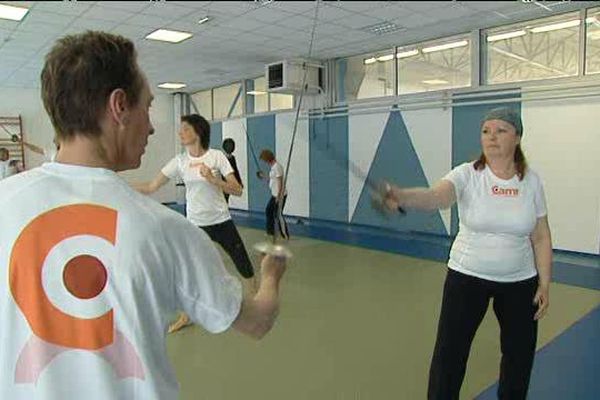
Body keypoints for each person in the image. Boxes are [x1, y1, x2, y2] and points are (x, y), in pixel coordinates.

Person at [0, 31, 286, 400]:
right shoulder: (167, 230)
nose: (152, 126)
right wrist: (272, 276)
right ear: (119, 106)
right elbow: (258, 321)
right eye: (148, 106)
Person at [381, 107, 552, 400]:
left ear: (517, 137)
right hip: (466, 277)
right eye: (486, 131)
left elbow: (541, 236)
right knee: (450, 353)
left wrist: (544, 283)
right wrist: (404, 195)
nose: (492, 137)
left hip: (520, 281)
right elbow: (438, 195)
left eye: (501, 130)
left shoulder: (531, 181)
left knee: (519, 356)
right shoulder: (466, 174)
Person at [135, 114, 258, 333]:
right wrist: (120, 184)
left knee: (243, 263)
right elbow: (152, 186)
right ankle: (186, 315)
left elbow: (237, 189)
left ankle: (257, 301)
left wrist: (213, 179)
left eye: (184, 129)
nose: (180, 133)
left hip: (221, 220)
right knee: (187, 271)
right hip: (195, 225)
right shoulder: (180, 161)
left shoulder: (216, 157)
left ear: (197, 132)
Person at [259, 149, 289, 241]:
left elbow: (280, 182)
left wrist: (279, 196)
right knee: (268, 210)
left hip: (279, 195)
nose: (264, 162)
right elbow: (273, 180)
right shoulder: (273, 167)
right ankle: (271, 231)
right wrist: (264, 176)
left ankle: (285, 234)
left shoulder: (277, 167)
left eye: (264, 160)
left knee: (278, 214)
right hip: (274, 195)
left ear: (267, 159)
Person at [222, 137, 242, 203]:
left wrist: (239, 182)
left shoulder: (232, 158)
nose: (230, 147)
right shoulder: (221, 158)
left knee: (225, 200)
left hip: (228, 183)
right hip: (221, 183)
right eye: (228, 146)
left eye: (231, 146)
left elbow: (235, 170)